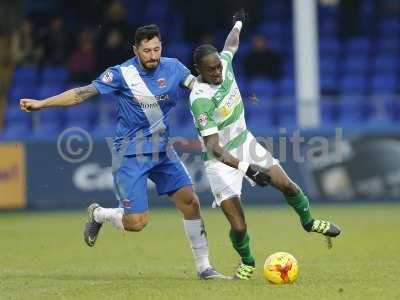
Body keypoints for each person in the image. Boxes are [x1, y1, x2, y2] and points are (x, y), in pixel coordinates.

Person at [20, 24, 227, 280]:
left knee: (191, 202)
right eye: (147, 51)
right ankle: (99, 213)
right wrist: (42, 103)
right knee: (137, 223)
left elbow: (198, 88)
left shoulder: (174, 67)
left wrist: (222, 87)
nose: (153, 55)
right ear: (135, 50)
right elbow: (80, 94)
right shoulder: (120, 74)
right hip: (130, 153)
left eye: (157, 49)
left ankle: (204, 268)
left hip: (163, 151)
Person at [189, 10, 341, 280]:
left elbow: (231, 44)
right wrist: (247, 168)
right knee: (238, 225)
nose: (217, 72)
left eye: (218, 67)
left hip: (244, 143)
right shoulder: (200, 99)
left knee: (287, 184)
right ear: (197, 70)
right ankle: (247, 261)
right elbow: (213, 147)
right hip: (220, 161)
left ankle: (308, 222)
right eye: (210, 69)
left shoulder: (223, 62)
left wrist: (237, 22)